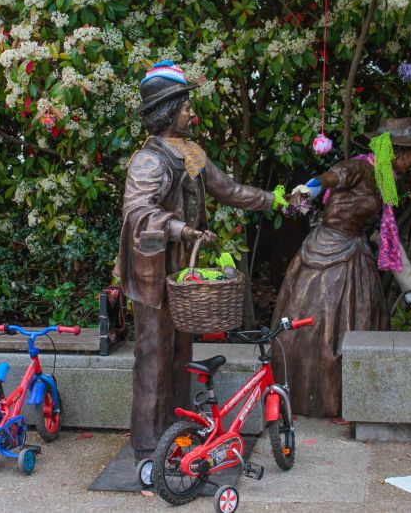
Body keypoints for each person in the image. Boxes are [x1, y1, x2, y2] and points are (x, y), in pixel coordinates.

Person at [114, 61, 285, 460]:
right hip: (154, 268)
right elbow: (137, 212)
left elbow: (231, 190)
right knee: (154, 353)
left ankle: (176, 433)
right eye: (185, 106)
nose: (191, 112)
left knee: (180, 353)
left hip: (183, 268)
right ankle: (147, 445)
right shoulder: (149, 161)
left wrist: (274, 200)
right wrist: (182, 230)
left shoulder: (191, 152)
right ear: (167, 111)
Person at [273, 117, 411, 417]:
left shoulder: (386, 180)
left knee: (356, 322)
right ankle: (303, 397)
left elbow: (387, 233)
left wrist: (408, 285)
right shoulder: (360, 168)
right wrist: (308, 191)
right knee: (315, 322)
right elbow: (330, 177)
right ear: (395, 152)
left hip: (355, 254)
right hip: (325, 252)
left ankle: (354, 400)